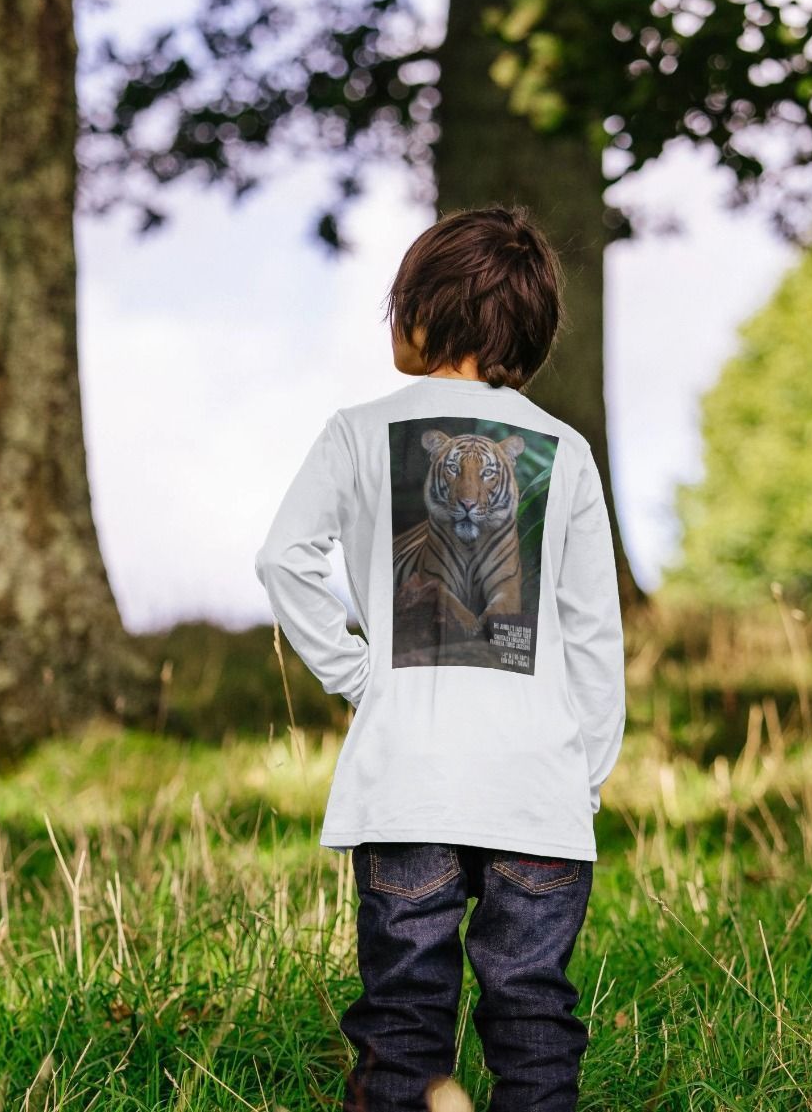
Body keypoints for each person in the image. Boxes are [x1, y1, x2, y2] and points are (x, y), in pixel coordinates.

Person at [254, 204, 626, 1112]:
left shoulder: (358, 430)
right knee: (534, 1021)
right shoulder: (567, 452)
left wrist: (358, 676)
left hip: (406, 783)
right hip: (536, 786)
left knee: (402, 1024)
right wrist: (582, 777)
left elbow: (284, 559)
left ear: (424, 312)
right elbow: (593, 632)